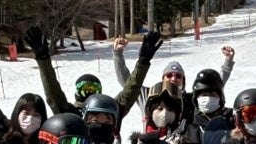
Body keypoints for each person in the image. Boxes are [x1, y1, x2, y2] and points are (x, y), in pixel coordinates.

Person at [23, 25, 162, 120]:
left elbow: (130, 92)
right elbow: (54, 95)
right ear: (77, 92)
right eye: (84, 89)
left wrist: (143, 62)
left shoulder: (109, 112)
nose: (88, 93)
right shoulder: (70, 114)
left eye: (93, 90)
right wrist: (43, 60)